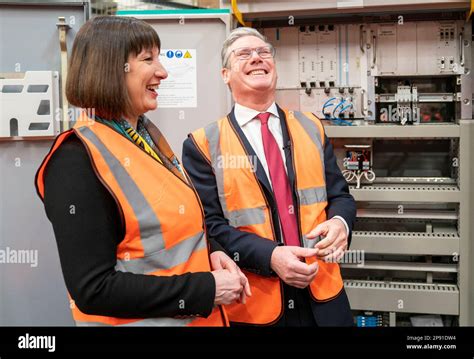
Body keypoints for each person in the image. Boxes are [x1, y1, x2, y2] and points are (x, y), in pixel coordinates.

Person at [35, 16, 250, 327]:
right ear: (110, 69)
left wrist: (211, 252)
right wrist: (206, 288)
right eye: (148, 59)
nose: (162, 71)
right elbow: (94, 289)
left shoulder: (145, 137)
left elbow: (170, 228)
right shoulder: (74, 160)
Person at [182, 27, 356, 326]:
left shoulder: (311, 127)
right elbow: (209, 225)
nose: (256, 58)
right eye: (244, 54)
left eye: (263, 52)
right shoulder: (203, 143)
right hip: (257, 301)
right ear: (226, 74)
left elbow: (340, 195)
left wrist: (341, 223)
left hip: (324, 293)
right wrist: (271, 256)